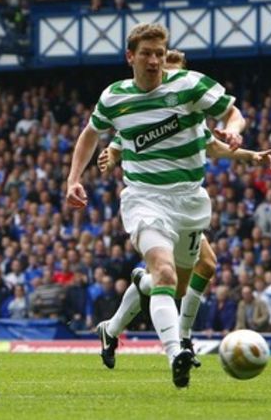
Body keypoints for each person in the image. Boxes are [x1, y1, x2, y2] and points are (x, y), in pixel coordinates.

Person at [66, 23, 248, 388]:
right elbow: (91, 133)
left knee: (174, 286)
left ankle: (121, 317)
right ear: (130, 57)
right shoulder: (115, 97)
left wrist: (234, 130)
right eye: (146, 54)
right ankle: (176, 351)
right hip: (145, 198)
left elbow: (232, 112)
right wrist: (74, 178)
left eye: (159, 54)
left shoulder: (189, 85)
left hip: (190, 200)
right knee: (164, 273)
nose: (154, 61)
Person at [93, 48, 271, 370]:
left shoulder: (190, 107)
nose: (165, 78)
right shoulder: (140, 109)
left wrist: (249, 155)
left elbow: (213, 145)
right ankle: (182, 341)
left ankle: (115, 327)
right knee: (189, 269)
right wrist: (110, 152)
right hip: (152, 201)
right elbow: (120, 140)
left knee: (177, 277)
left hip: (185, 202)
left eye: (171, 70)